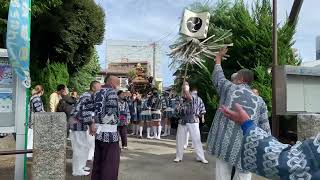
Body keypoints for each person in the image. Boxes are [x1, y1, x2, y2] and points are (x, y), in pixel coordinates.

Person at [207, 48, 272, 180]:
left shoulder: (230, 88)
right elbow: (265, 129)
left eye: (236, 77)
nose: (234, 79)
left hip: (225, 144)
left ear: (241, 79)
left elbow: (218, 78)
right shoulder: (260, 102)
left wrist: (218, 59)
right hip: (247, 147)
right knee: (244, 175)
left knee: (222, 174)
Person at [220, 104, 320, 180]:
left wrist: (247, 125)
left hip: (254, 144)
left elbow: (293, 163)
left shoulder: (259, 103)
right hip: (250, 142)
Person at [91, 75, 120, 180]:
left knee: (98, 160)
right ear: (111, 81)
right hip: (110, 133)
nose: (118, 84)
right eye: (117, 82)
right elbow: (111, 112)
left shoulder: (97, 92)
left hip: (98, 132)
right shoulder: (111, 92)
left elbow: (91, 110)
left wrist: (93, 124)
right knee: (110, 163)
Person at [69, 81, 101, 176]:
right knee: (80, 147)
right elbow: (86, 112)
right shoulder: (88, 96)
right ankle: (77, 170)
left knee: (83, 146)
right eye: (99, 87)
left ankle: (81, 166)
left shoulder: (87, 95)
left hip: (80, 123)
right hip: (77, 123)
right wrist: (91, 124)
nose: (101, 89)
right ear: (93, 88)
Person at [174, 82, 208, 164]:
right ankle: (178, 156)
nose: (185, 86)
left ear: (189, 87)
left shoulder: (196, 98)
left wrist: (202, 117)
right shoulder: (179, 98)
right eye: (184, 85)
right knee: (180, 140)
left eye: (186, 85)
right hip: (182, 120)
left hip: (193, 120)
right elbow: (176, 110)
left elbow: (194, 102)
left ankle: (200, 157)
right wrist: (178, 107)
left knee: (196, 140)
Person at [27, 85, 45, 158]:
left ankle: (29, 153)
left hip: (32, 120)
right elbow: (39, 110)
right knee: (31, 137)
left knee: (31, 136)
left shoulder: (33, 97)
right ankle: (28, 153)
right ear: (41, 91)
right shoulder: (36, 98)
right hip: (34, 121)